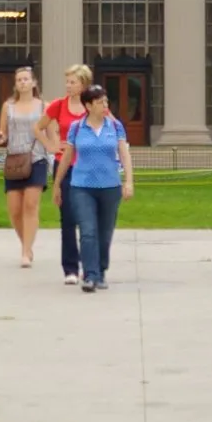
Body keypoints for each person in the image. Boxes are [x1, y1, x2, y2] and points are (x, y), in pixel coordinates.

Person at [51, 83, 133, 292]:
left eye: (106, 101)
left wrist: (129, 181)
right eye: (99, 102)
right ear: (88, 105)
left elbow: (124, 154)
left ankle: (101, 270)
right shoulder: (77, 128)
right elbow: (67, 156)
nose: (104, 105)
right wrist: (58, 184)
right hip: (81, 187)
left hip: (109, 186)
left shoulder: (114, 127)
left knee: (104, 233)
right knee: (88, 232)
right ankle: (90, 275)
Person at [0, 65, 49, 268]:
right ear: (16, 84)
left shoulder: (44, 107)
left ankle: (25, 252)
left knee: (30, 205)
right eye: (19, 80)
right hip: (15, 161)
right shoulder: (9, 106)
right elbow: (3, 132)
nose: (23, 82)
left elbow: (50, 133)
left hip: (37, 159)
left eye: (26, 79)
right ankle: (27, 244)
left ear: (34, 82)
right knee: (15, 210)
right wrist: (0, 138)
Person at [41, 65, 93, 284]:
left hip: (90, 167)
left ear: (83, 84)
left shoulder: (94, 105)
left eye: (72, 82)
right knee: (68, 218)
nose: (68, 85)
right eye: (67, 82)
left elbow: (108, 127)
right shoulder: (59, 105)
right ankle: (70, 268)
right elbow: (38, 128)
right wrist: (52, 145)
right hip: (66, 166)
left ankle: (89, 265)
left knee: (88, 219)